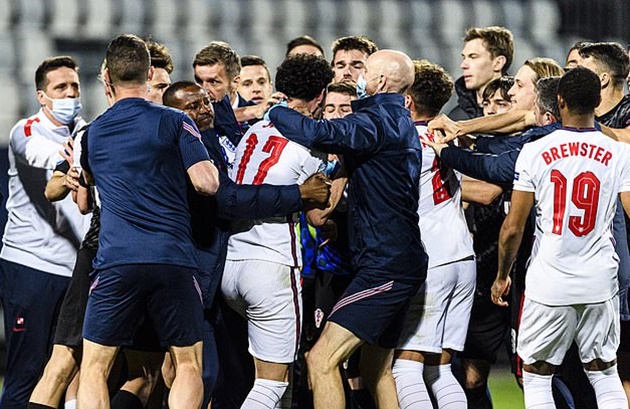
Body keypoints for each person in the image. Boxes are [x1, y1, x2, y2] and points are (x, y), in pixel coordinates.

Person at [268, 49, 427, 409]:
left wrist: (276, 110)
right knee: (376, 369)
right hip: (399, 259)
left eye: (365, 70)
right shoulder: (396, 120)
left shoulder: (376, 123)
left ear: (381, 81)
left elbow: (313, 132)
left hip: (384, 265)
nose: (359, 77)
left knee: (321, 359)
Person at [161, 80, 331, 407]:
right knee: (254, 381)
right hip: (209, 272)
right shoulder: (187, 146)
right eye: (191, 107)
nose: (203, 111)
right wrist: (300, 194)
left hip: (226, 268)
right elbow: (225, 199)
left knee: (231, 377)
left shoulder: (222, 136)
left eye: (205, 103)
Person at [76, 34, 219, 409]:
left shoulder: (91, 135)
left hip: (116, 262)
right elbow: (207, 183)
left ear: (106, 79)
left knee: (93, 368)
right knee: (187, 364)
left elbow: (86, 195)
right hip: (172, 259)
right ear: (151, 72)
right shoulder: (174, 121)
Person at [491, 66, 630, 409]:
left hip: (549, 280)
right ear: (598, 101)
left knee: (538, 376)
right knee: (604, 373)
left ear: (561, 101)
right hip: (599, 280)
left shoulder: (536, 151)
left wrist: (502, 276)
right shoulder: (619, 153)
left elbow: (513, 227)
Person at [221, 53, 334, 409]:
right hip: (272, 266)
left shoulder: (255, 131)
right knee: (272, 383)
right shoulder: (310, 145)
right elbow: (318, 217)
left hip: (232, 263)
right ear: (321, 95)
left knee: (272, 381)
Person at [0, 55, 89, 409]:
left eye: (74, 87)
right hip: (31, 268)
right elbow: (41, 155)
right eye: (60, 88)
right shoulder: (25, 130)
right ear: (42, 96)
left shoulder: (87, 130)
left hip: (74, 271)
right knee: (27, 372)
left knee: (71, 372)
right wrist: (83, 154)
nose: (70, 94)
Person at [393, 60, 475, 409]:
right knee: (439, 371)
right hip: (463, 257)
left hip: (432, 259)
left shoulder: (405, 141)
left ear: (408, 100)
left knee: (405, 368)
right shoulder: (445, 137)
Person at [449, 26, 514, 121]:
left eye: (473, 57)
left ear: (498, 63)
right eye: (464, 58)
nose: (463, 65)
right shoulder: (456, 119)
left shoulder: (523, 113)